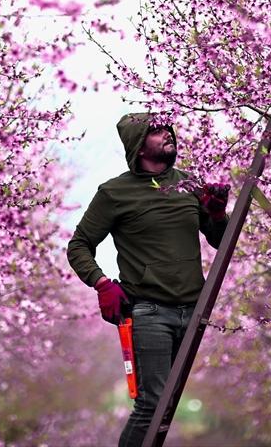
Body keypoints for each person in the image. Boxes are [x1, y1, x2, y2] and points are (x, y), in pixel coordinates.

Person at [67, 113, 230, 447]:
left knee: (167, 406)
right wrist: (101, 283)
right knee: (152, 404)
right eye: (156, 131)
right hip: (150, 313)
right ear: (139, 145)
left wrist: (216, 214)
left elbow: (219, 240)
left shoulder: (189, 185)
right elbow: (79, 245)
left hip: (193, 310)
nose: (166, 134)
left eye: (167, 128)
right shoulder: (114, 193)